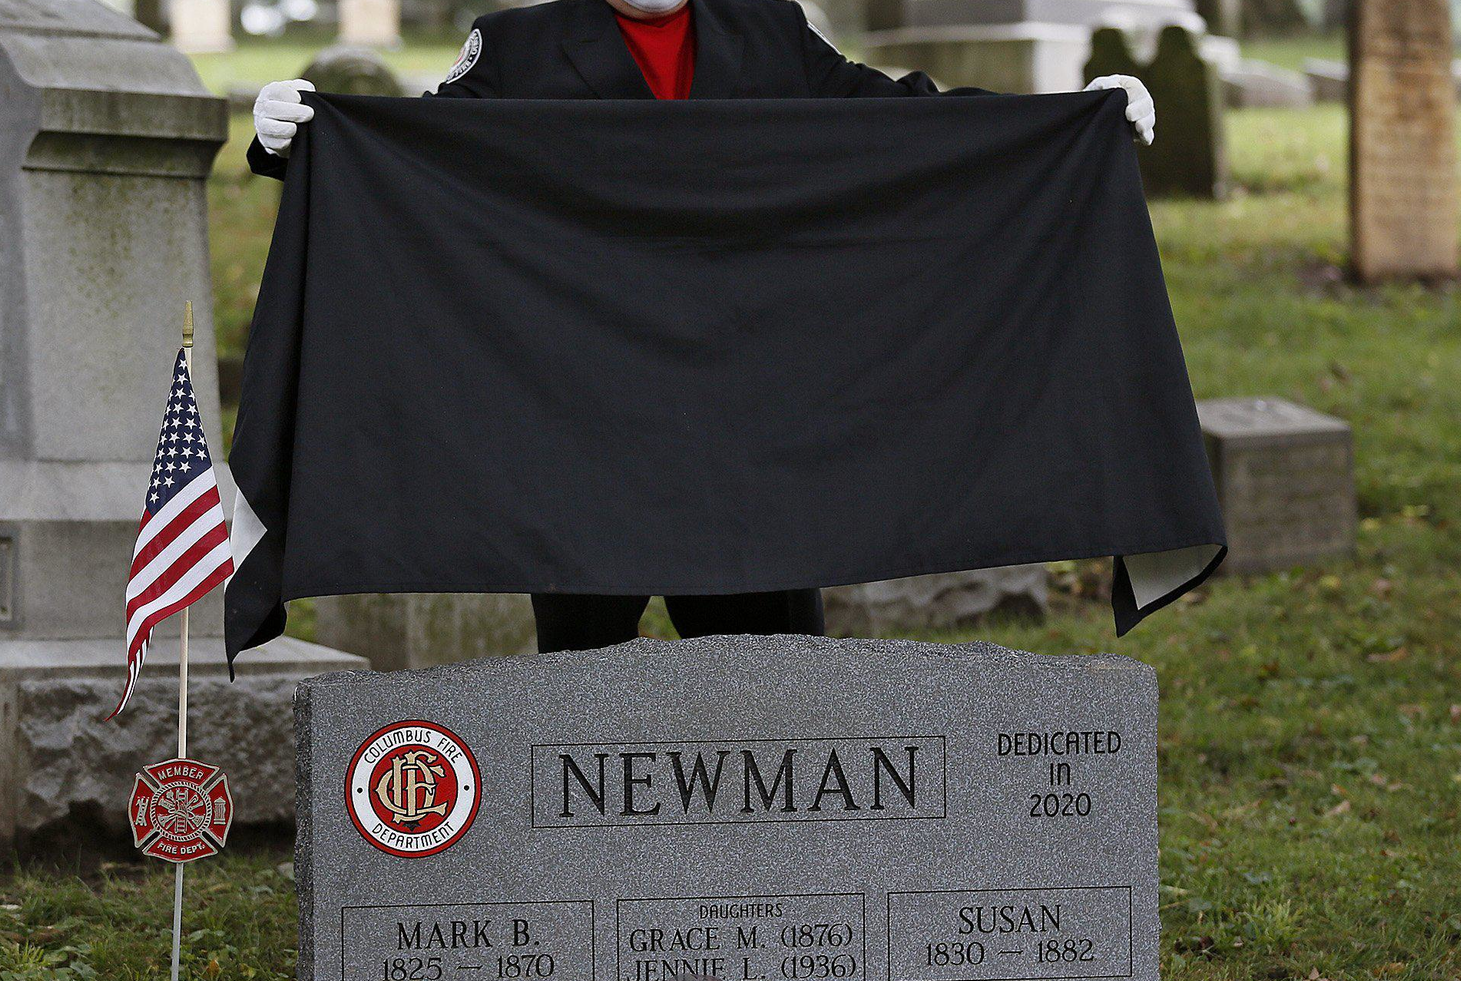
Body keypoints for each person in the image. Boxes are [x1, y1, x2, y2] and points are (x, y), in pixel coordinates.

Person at [245, 0, 1157, 653]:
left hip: (749, 434)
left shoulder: (767, 28)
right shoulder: (516, 43)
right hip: (580, 434)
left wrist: (1076, 119)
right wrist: (298, 142)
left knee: (776, 684)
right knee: (581, 696)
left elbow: (905, 123)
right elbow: (419, 168)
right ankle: (592, 900)